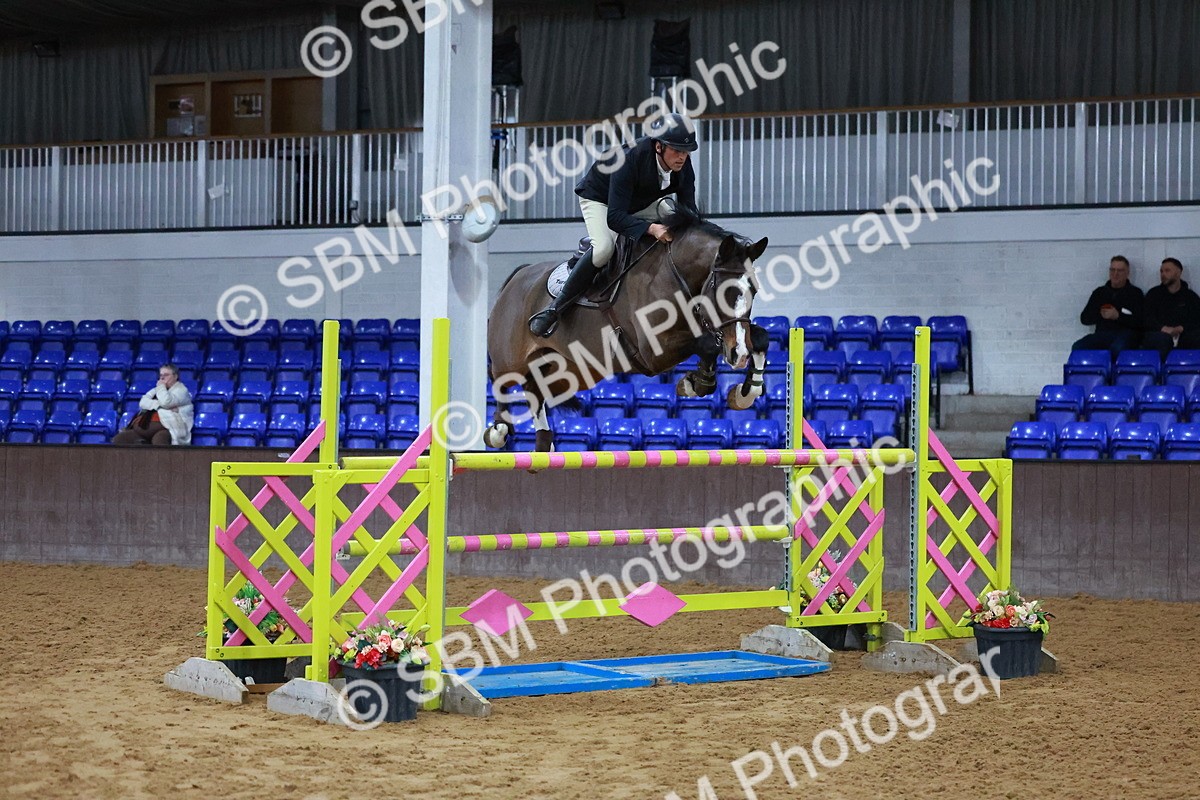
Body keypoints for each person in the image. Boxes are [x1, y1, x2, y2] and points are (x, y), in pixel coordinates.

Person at [528, 112, 700, 337]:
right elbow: (615, 217)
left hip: (641, 200)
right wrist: (651, 228)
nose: (682, 158)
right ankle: (555, 309)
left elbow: (690, 214)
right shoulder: (628, 160)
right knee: (604, 249)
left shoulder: (683, 166)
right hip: (602, 200)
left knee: (676, 220)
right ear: (658, 147)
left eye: (686, 152)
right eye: (677, 151)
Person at [1071, 256, 1143, 355]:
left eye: (1120, 270)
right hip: (1102, 334)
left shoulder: (1135, 293)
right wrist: (1100, 313)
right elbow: (1084, 319)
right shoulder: (1099, 293)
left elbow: (1141, 322)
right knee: (1078, 347)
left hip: (1126, 334)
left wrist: (1117, 316)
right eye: (1112, 270)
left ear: (1127, 273)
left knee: (1118, 348)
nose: (1115, 274)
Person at [113, 364, 194, 445]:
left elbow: (166, 402)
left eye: (166, 375)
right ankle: (143, 443)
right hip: (146, 424)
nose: (162, 378)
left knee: (159, 440)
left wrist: (161, 388)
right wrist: (159, 405)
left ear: (175, 376)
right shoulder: (158, 389)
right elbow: (143, 402)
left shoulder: (181, 390)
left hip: (170, 427)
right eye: (161, 375)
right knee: (120, 439)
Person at [1141, 257, 1200, 358]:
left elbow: (1197, 319)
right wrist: (1163, 328)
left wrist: (1181, 328)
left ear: (1178, 272)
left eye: (1167, 271)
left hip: (1184, 335)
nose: (1163, 274)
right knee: (1160, 339)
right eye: (1161, 271)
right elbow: (1145, 318)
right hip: (1160, 334)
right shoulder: (1153, 294)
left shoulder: (1191, 297)